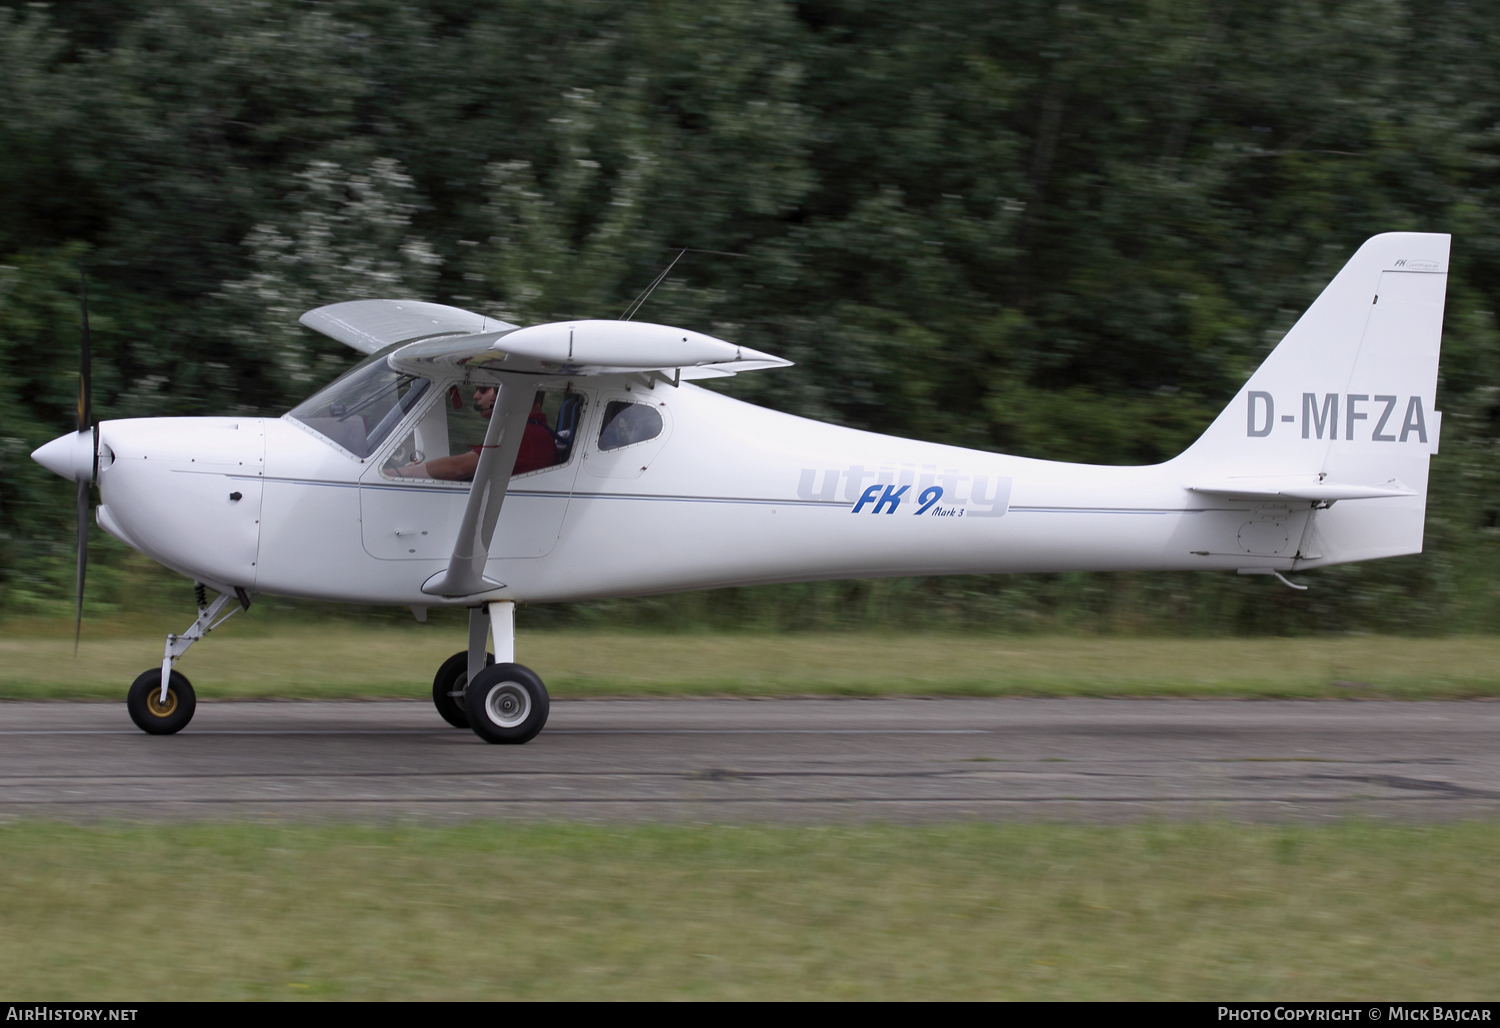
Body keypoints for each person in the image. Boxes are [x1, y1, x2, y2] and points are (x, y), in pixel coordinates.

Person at [390, 387, 555, 481]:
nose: (476, 395)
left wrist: (396, 474)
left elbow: (459, 468)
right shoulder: (530, 432)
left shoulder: (526, 436)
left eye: (485, 389)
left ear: (518, 396)